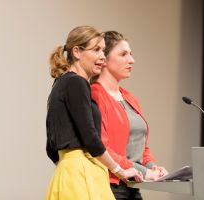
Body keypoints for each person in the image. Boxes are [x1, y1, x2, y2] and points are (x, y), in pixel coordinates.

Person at [45, 26, 143, 200]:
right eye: (96, 50)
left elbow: (50, 148)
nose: (102, 57)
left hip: (67, 174)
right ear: (77, 52)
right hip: (82, 174)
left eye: (103, 51)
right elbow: (91, 139)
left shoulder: (60, 83)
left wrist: (68, 167)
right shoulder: (77, 83)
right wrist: (120, 171)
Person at [91, 31, 168, 200]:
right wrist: (145, 171)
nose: (131, 60)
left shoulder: (130, 97)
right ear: (104, 59)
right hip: (110, 184)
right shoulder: (96, 94)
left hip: (132, 184)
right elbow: (101, 147)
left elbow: (141, 147)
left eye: (131, 54)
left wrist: (153, 167)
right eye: (123, 54)